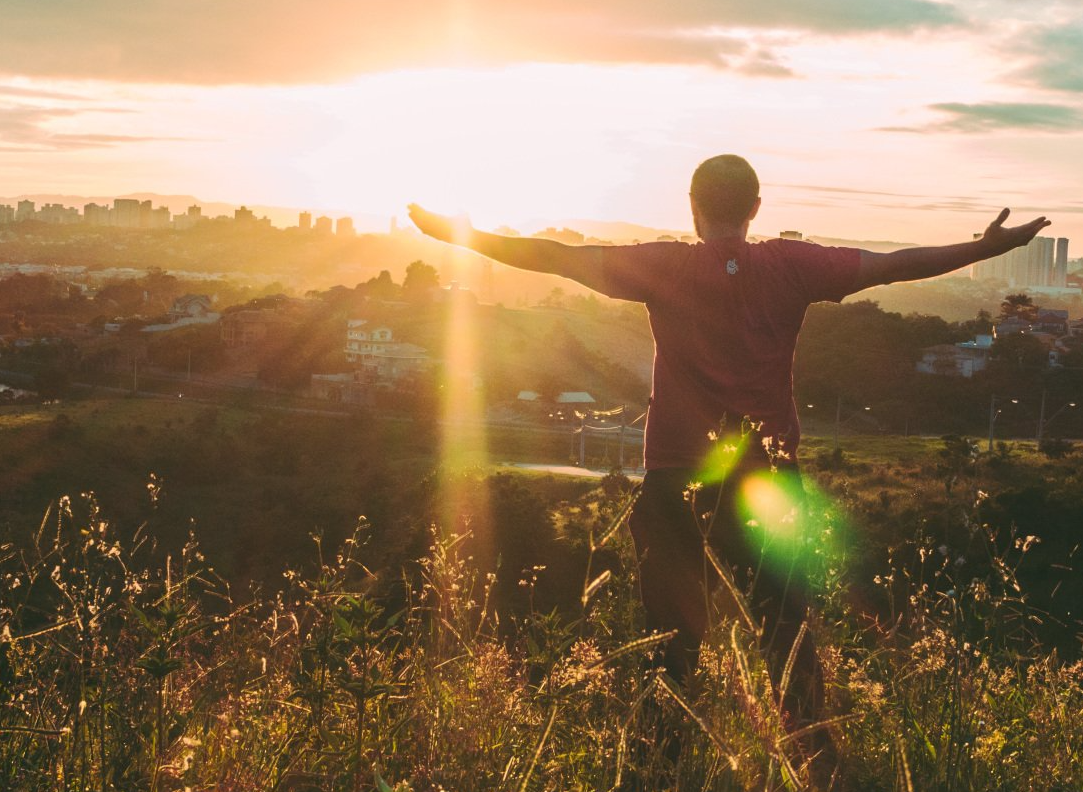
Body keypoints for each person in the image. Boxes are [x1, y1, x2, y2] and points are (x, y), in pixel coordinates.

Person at [409, 155, 1050, 727]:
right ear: (755, 209)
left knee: (671, 641)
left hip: (676, 480)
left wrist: (458, 236)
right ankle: (811, 772)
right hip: (766, 478)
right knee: (785, 631)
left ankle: (666, 783)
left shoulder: (664, 266)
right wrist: (985, 249)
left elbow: (551, 255)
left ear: (692, 208)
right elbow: (893, 267)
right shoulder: (793, 265)